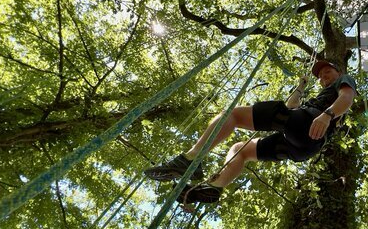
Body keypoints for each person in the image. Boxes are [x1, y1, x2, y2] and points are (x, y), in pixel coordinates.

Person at [144, 60, 357, 205]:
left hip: (310, 123)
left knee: (233, 115)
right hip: (303, 146)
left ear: (338, 71)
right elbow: (291, 105)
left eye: (327, 71)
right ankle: (215, 187)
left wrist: (327, 115)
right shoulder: (320, 92)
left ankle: (190, 158)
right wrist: (301, 87)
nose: (323, 76)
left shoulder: (344, 80)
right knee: (241, 150)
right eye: (320, 75)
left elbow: (346, 99)